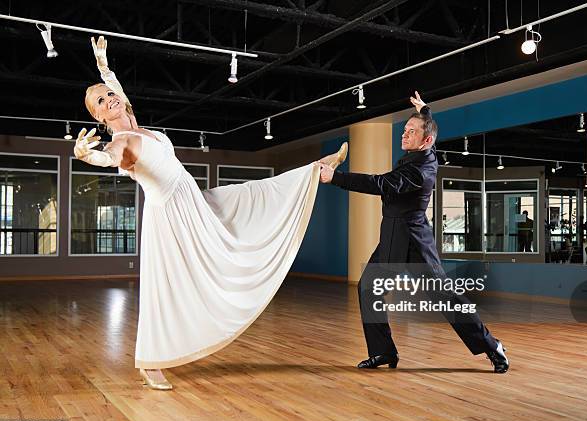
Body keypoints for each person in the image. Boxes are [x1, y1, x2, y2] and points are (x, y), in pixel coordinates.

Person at [75, 36, 347, 390]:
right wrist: (87, 155)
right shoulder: (120, 142)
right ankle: (151, 361)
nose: (109, 99)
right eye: (101, 101)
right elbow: (108, 156)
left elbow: (121, 97)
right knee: (167, 291)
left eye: (110, 95)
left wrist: (104, 68)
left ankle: (314, 170)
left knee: (247, 196)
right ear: (97, 116)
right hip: (171, 216)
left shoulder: (141, 129)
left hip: (193, 200)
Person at [318, 92, 509, 373]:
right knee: (368, 288)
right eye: (404, 130)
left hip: (414, 241)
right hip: (391, 235)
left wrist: (336, 178)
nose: (404, 135)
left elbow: (380, 183)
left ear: (426, 141)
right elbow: (428, 131)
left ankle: (492, 346)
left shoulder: (422, 170)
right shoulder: (421, 150)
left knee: (445, 299)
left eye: (411, 132)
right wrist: (425, 111)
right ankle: (383, 353)